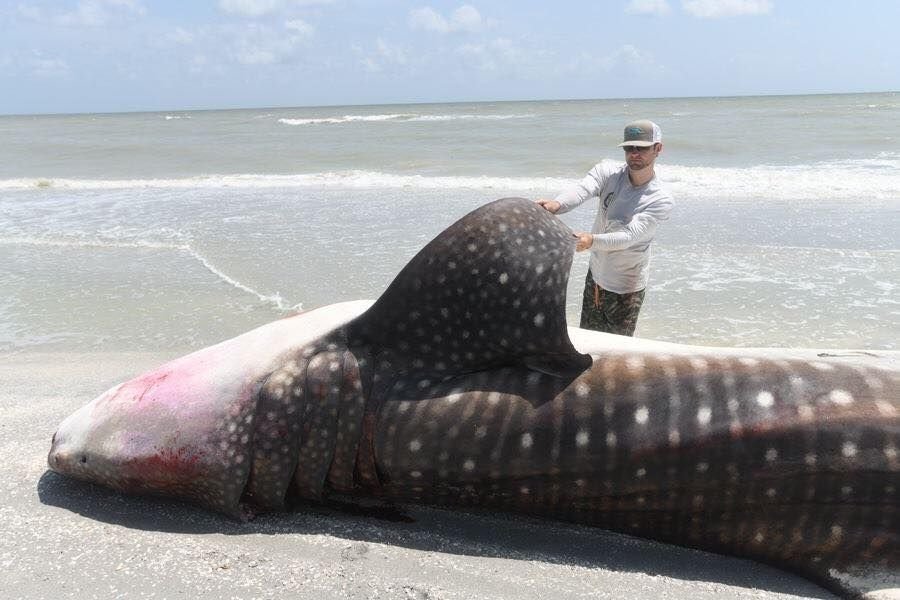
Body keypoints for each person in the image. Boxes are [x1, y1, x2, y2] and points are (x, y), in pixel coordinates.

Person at [537, 120, 674, 336]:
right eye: (629, 148)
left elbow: (629, 237)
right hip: (595, 280)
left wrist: (591, 241)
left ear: (658, 149)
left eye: (642, 148)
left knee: (615, 355)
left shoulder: (659, 199)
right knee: (587, 342)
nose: (634, 153)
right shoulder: (608, 173)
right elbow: (583, 189)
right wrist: (557, 205)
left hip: (625, 289)